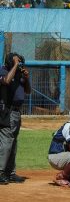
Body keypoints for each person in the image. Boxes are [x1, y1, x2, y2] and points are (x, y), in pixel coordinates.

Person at [0, 53, 31, 184]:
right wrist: (15, 65)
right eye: (17, 62)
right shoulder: (3, 71)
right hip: (7, 111)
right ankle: (1, 172)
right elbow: (6, 81)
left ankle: (10, 173)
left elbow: (28, 91)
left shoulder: (18, 74)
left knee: (13, 143)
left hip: (17, 112)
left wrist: (26, 78)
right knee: (7, 141)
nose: (19, 65)